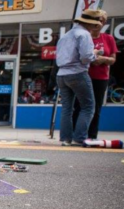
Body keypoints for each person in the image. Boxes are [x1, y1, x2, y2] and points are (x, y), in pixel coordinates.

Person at [56, 9, 109, 146]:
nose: (95, 27)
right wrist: (94, 54)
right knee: (89, 107)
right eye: (95, 24)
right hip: (78, 73)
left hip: (61, 74)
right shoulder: (84, 34)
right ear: (91, 24)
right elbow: (86, 57)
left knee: (67, 108)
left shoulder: (66, 35)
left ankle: (65, 139)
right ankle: (79, 138)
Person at [72, 10, 118, 140]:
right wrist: (90, 58)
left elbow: (113, 59)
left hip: (100, 77)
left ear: (104, 23)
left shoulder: (108, 38)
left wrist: (103, 59)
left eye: (101, 21)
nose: (99, 24)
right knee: (79, 106)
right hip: (82, 75)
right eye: (97, 20)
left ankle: (92, 136)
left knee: (95, 108)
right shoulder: (83, 36)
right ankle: (77, 135)